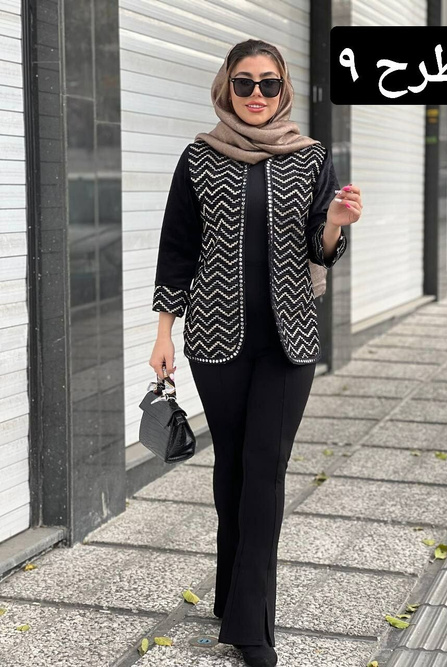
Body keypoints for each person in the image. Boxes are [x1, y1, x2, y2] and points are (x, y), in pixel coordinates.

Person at [149, 39, 362, 667]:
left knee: (266, 468)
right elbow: (176, 248)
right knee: (233, 469)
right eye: (244, 83)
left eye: (269, 83)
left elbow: (322, 249)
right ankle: (231, 594)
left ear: (283, 89)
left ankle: (250, 628)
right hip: (216, 339)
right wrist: (163, 333)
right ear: (227, 88)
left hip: (288, 341)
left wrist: (336, 221)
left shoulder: (311, 157)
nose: (257, 95)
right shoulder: (199, 158)